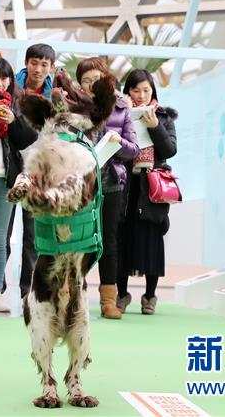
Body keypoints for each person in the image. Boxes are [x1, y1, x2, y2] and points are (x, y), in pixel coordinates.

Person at [76, 57, 138, 319]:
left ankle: (108, 300)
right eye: (85, 81)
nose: (91, 85)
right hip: (79, 182)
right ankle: (76, 297)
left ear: (106, 79)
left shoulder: (122, 109)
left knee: (108, 241)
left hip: (111, 182)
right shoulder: (74, 108)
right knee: (79, 240)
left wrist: (117, 141)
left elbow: (134, 149)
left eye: (95, 79)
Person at [0, 56, 36, 312]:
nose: (0, 83)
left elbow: (27, 139)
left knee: (1, 239)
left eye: (4, 78)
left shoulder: (17, 103)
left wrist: (14, 121)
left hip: (7, 180)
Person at [118, 69, 177, 315]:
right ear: (127, 92)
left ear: (153, 91)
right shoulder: (120, 114)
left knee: (152, 239)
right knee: (121, 239)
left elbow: (171, 149)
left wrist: (156, 128)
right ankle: (121, 294)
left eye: (146, 90)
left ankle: (150, 295)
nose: (141, 95)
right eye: (136, 90)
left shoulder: (163, 116)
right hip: (125, 186)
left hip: (151, 187)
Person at [12, 43, 55, 298]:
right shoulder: (12, 89)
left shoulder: (55, 97)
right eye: (34, 63)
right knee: (0, 236)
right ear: (26, 62)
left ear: (51, 67)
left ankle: (28, 291)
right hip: (8, 166)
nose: (38, 69)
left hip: (38, 170)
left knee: (32, 233)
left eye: (44, 64)